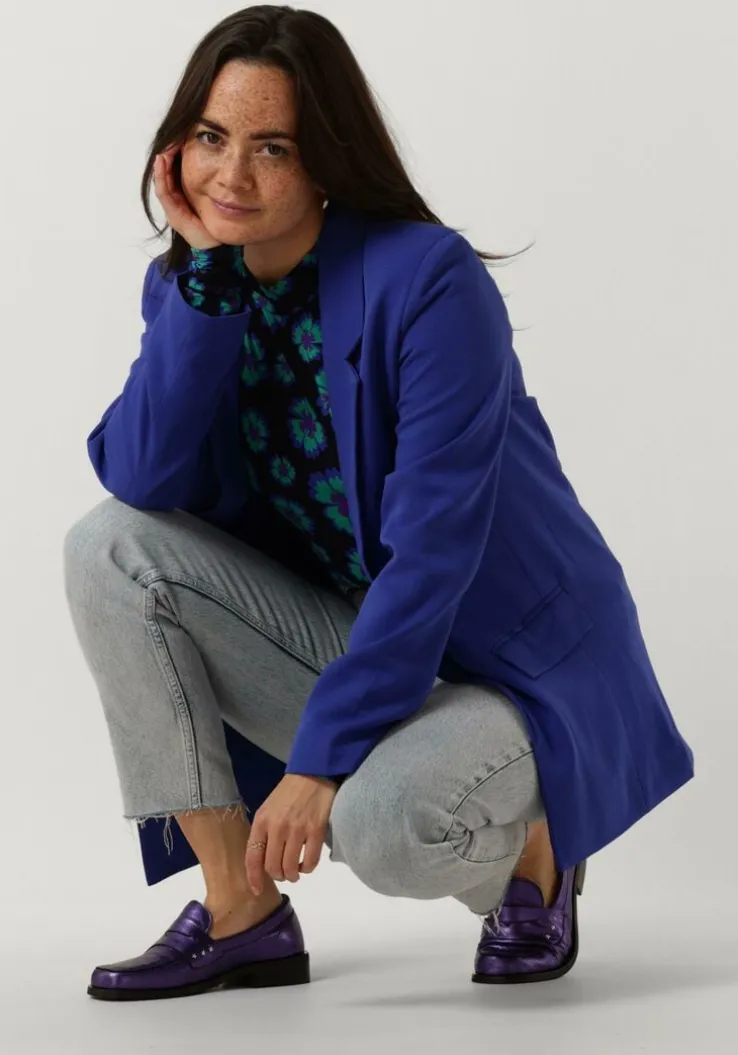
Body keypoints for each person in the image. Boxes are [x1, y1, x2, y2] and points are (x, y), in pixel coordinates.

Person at [63, 4, 693, 1001]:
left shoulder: (429, 282)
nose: (231, 176)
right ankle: (240, 907)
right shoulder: (193, 285)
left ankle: (538, 851)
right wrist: (210, 286)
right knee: (109, 548)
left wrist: (318, 767)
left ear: (325, 159)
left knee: (385, 824)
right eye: (212, 138)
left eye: (272, 147)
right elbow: (141, 480)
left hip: (504, 662)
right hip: (359, 635)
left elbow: (433, 556)